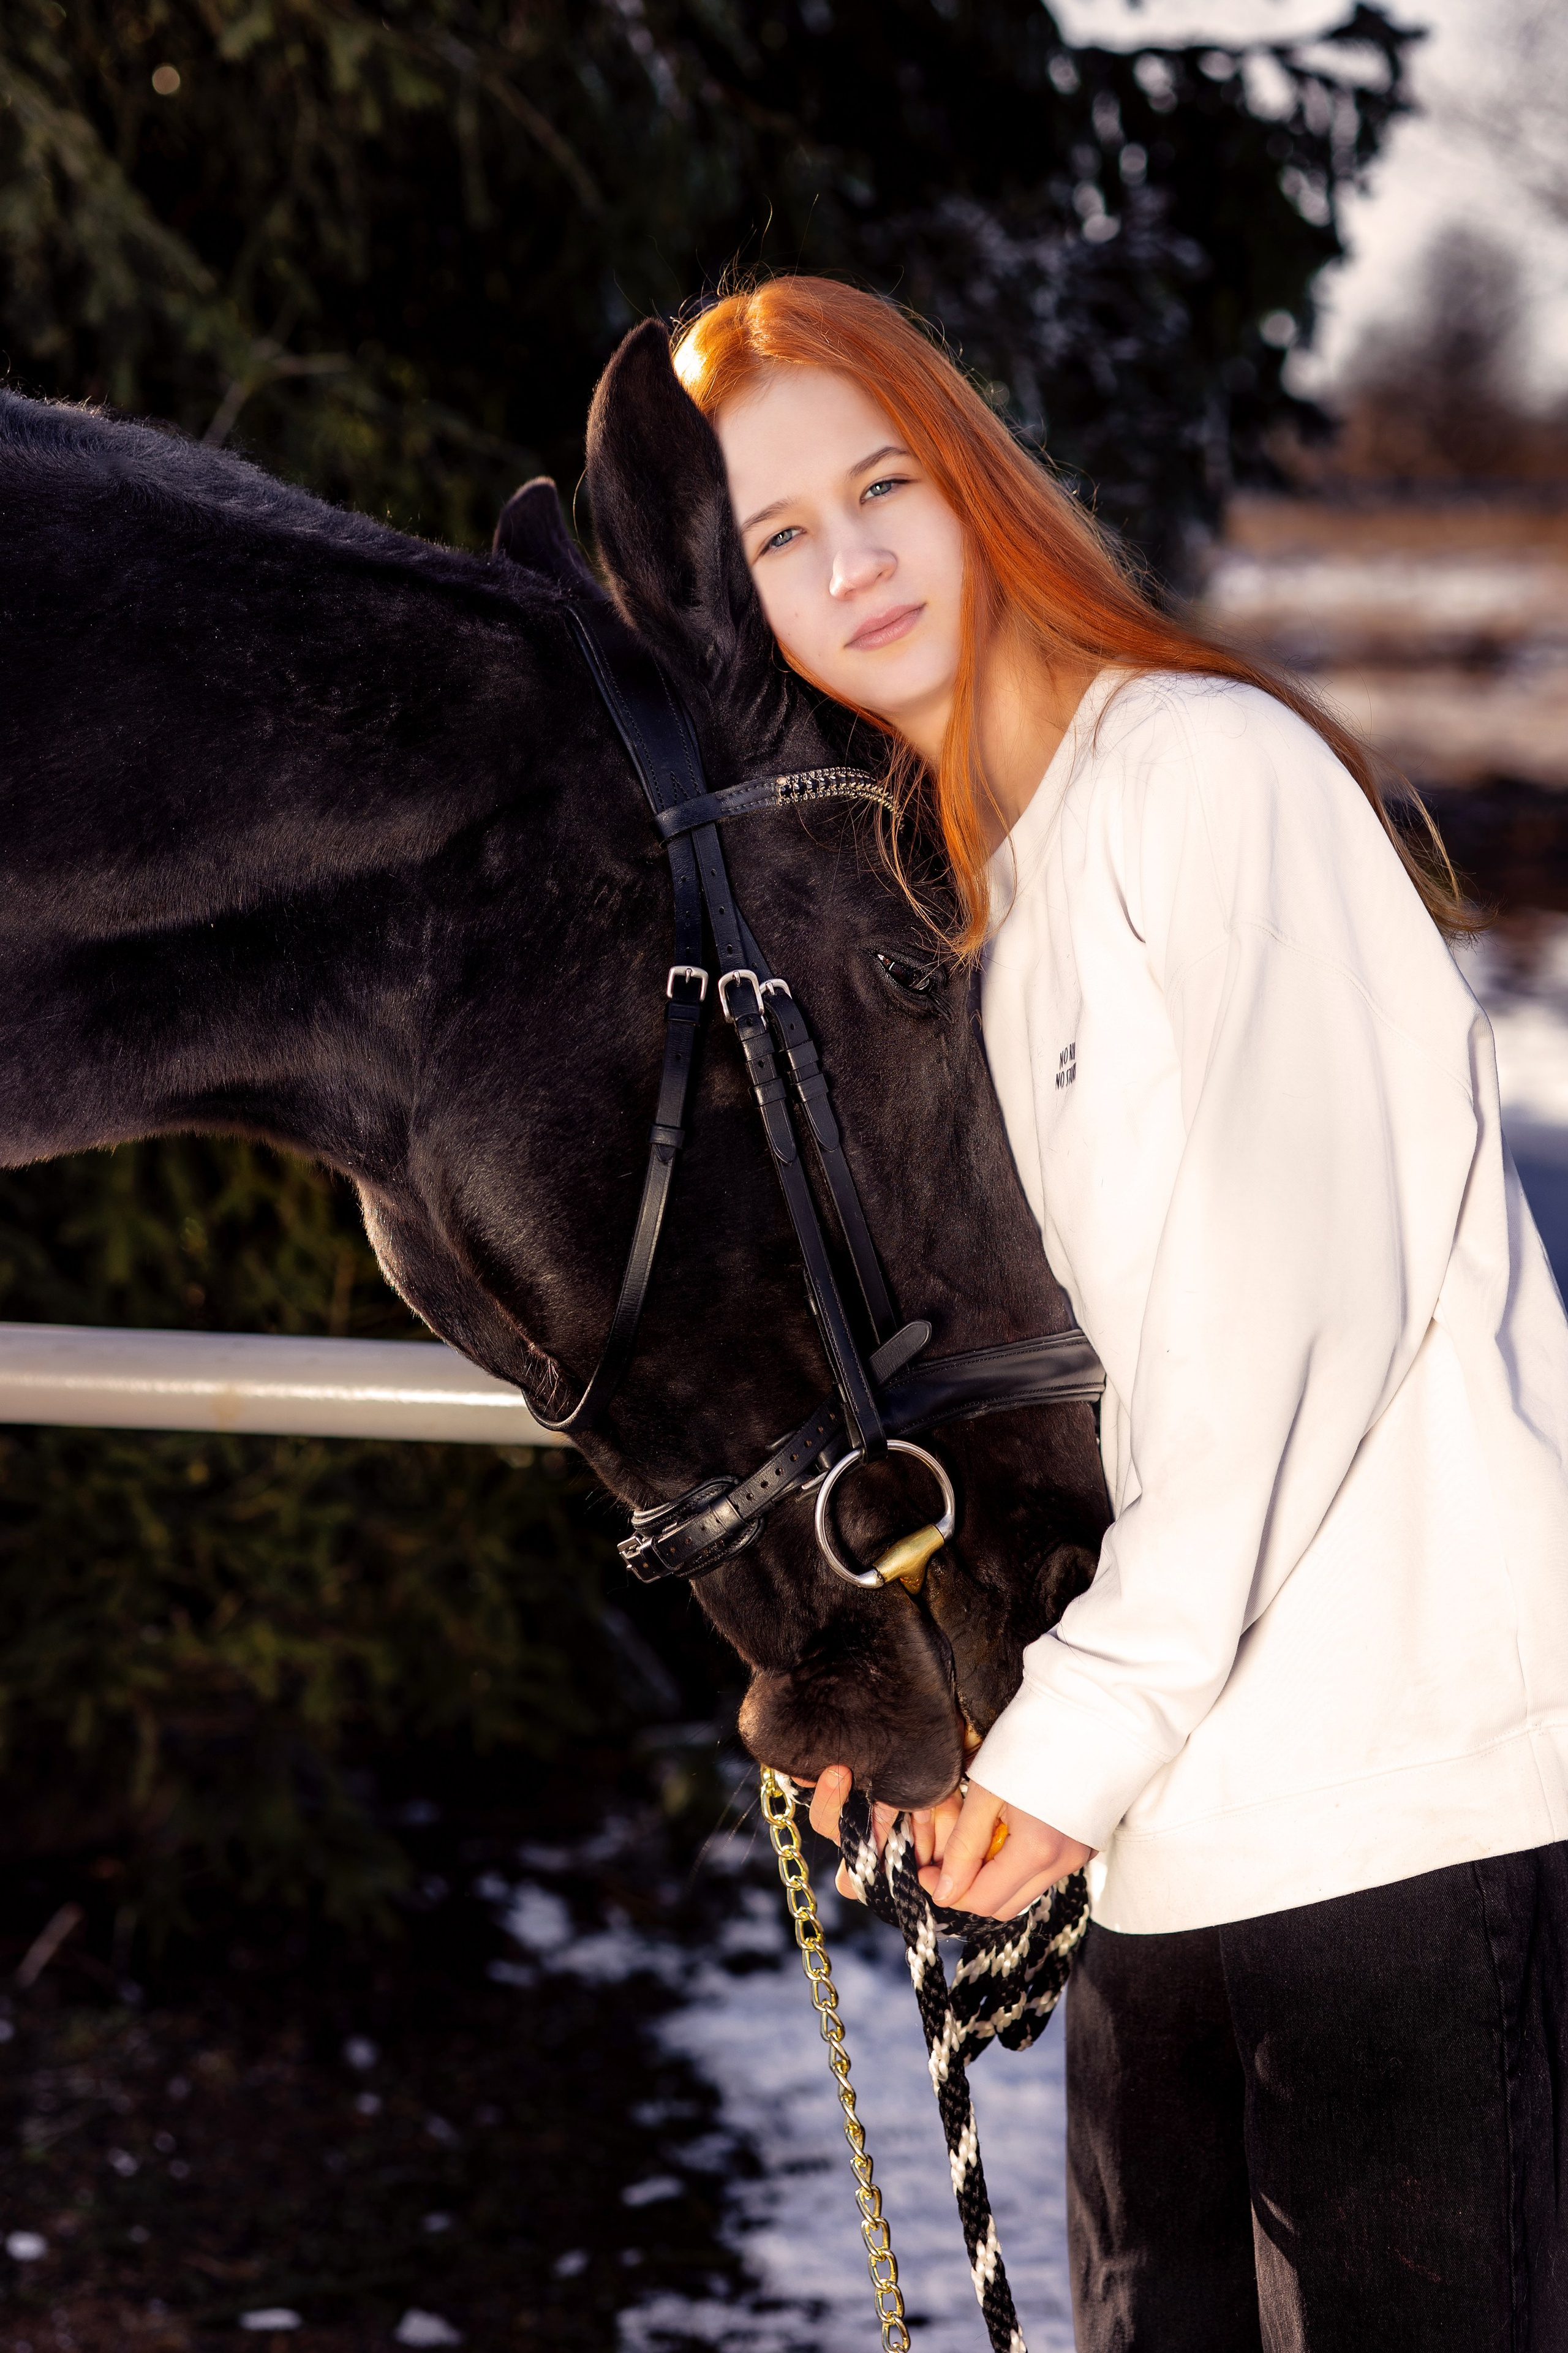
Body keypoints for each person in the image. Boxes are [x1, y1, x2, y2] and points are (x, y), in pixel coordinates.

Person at [668, 276, 1568, 2352]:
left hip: (1401, 1822)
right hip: (1166, 1847)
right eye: (778, 541)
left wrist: (1074, 1740)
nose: (852, 562)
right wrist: (931, 1690)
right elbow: (1079, 1405)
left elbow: (1286, 1327)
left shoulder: (1203, 775)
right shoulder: (979, 903)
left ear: (978, 483)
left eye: (882, 485)